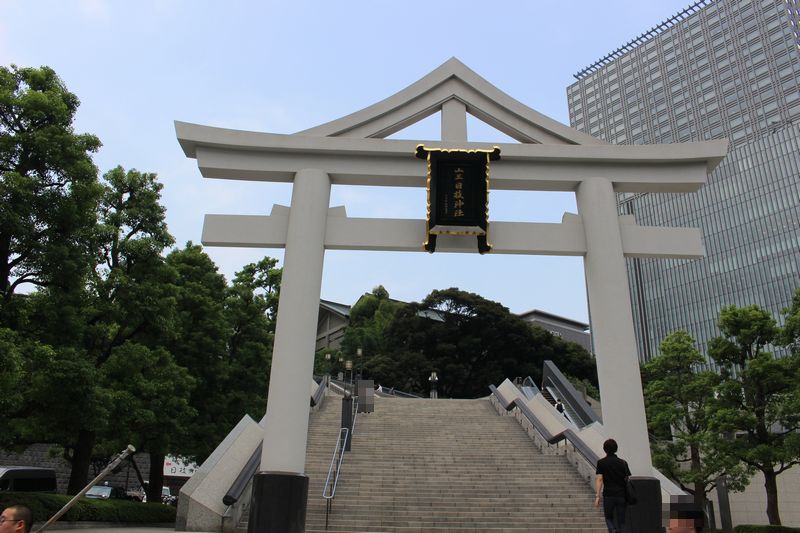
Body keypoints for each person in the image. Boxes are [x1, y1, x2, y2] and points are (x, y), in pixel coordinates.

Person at [594, 438, 631, 533]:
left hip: (608, 495)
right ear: (616, 449)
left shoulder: (601, 462)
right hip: (621, 495)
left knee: (609, 518)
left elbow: (600, 479)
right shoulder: (623, 462)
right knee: (622, 522)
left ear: (604, 449)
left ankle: (613, 531)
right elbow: (627, 478)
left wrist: (597, 496)